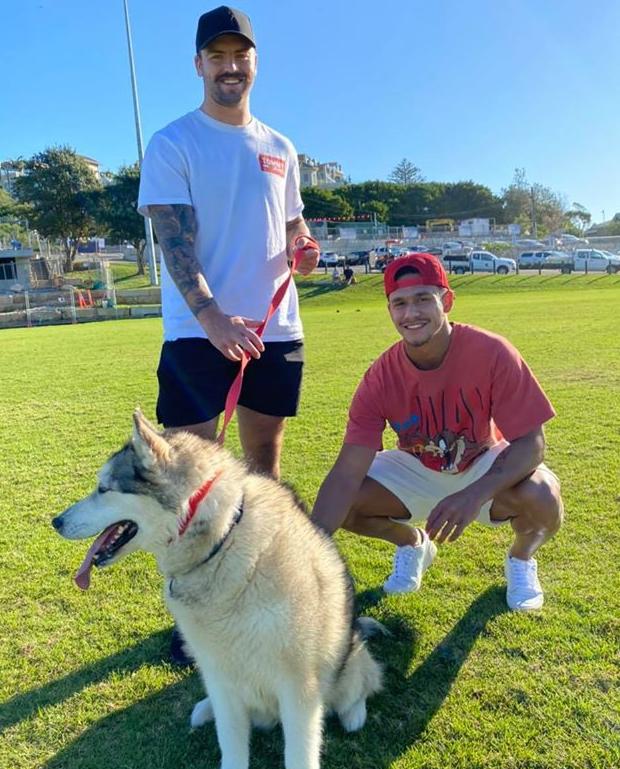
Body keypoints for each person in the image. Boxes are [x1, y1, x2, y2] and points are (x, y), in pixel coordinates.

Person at [137, 6, 319, 663]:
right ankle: (195, 617)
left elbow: (292, 227)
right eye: (217, 56)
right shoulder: (174, 143)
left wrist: (303, 248)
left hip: (274, 331)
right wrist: (212, 317)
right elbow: (174, 241)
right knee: (189, 479)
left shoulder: (281, 148)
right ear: (198, 66)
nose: (230, 66)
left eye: (240, 54)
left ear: (254, 63)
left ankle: (252, 596)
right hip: (197, 332)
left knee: (262, 470)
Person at [311, 253, 563, 611]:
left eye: (422, 299)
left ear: (446, 301)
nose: (410, 313)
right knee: (344, 500)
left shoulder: (491, 351)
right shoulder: (379, 377)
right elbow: (347, 473)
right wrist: (308, 546)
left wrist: (474, 493)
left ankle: (521, 560)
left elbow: (532, 444)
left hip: (481, 461)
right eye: (399, 303)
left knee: (543, 496)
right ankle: (413, 543)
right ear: (389, 311)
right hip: (416, 466)